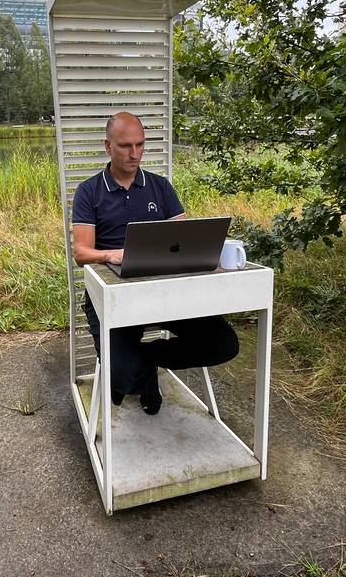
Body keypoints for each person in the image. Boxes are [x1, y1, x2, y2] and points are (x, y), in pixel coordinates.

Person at [71, 111, 239, 415]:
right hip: (111, 297)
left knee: (224, 344)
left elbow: (185, 238)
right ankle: (139, 376)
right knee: (125, 380)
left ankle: (146, 360)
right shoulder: (89, 191)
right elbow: (81, 253)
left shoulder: (159, 187)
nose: (134, 154)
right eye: (125, 146)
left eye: (140, 145)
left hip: (165, 295)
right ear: (107, 146)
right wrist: (111, 254)